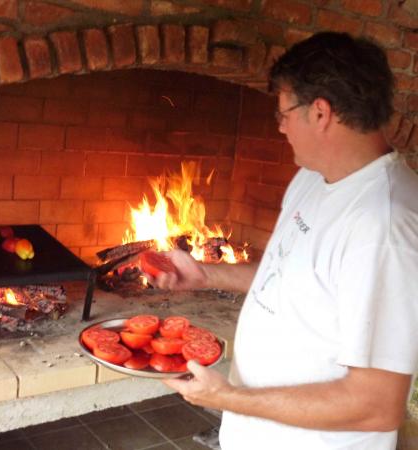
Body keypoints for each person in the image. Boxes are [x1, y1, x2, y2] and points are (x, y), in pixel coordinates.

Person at [148, 32, 418, 450]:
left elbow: (376, 406)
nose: (280, 125)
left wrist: (227, 398)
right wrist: (206, 274)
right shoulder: (312, 176)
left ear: (321, 113)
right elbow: (293, 277)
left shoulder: (384, 226)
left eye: (284, 112)